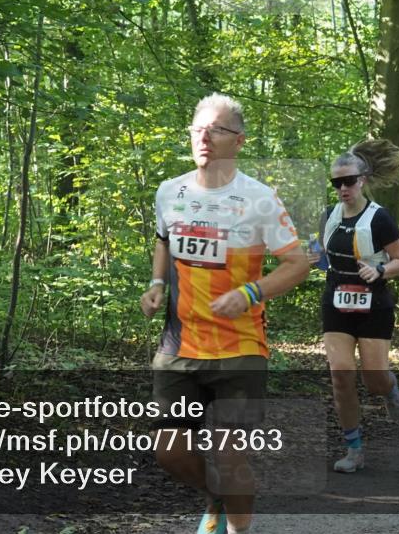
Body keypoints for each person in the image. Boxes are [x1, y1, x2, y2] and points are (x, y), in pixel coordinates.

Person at [140, 93, 309, 534]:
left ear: (239, 141)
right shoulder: (170, 191)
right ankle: (215, 494)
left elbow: (297, 264)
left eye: (216, 130)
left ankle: (236, 527)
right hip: (180, 344)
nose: (204, 138)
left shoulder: (259, 199)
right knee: (169, 451)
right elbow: (163, 240)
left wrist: (252, 291)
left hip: (240, 346)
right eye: (198, 129)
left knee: (230, 454)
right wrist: (156, 284)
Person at [311, 139, 399, 473]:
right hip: (336, 304)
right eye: (336, 183)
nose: (343, 188)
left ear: (362, 180)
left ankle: (389, 387)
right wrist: (313, 256)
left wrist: (380, 270)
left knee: (374, 381)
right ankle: (353, 449)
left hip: (374, 306)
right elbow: (324, 258)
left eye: (349, 181)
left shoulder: (379, 218)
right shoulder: (328, 216)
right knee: (340, 375)